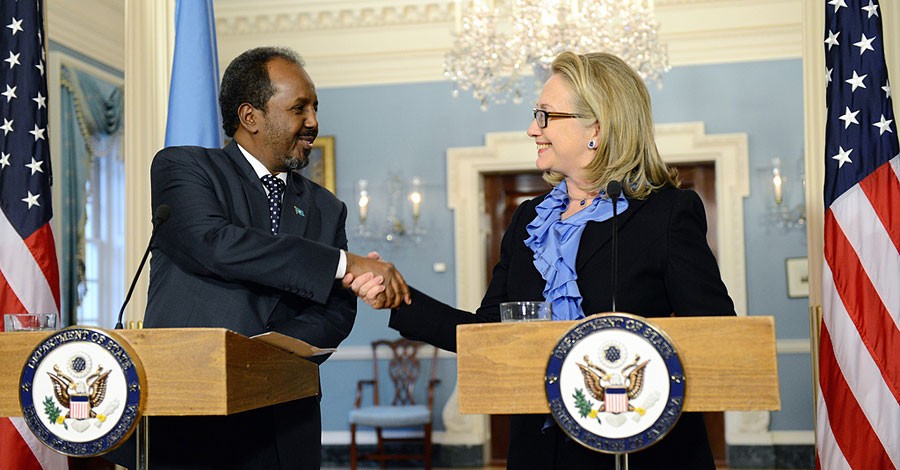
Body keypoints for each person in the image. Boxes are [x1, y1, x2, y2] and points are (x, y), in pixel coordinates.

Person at [347, 51, 736, 469]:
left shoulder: (668, 214)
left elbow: (717, 339)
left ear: (597, 129)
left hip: (642, 451)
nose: (533, 129)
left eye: (546, 116)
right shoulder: (529, 220)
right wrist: (400, 297)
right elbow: (489, 332)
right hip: (540, 452)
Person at [108, 46, 409, 469]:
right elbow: (215, 244)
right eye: (299, 108)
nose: (314, 123)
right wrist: (343, 264)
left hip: (284, 420)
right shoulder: (185, 168)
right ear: (250, 117)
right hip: (189, 415)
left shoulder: (325, 207)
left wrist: (264, 354)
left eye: (316, 108)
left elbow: (337, 311)